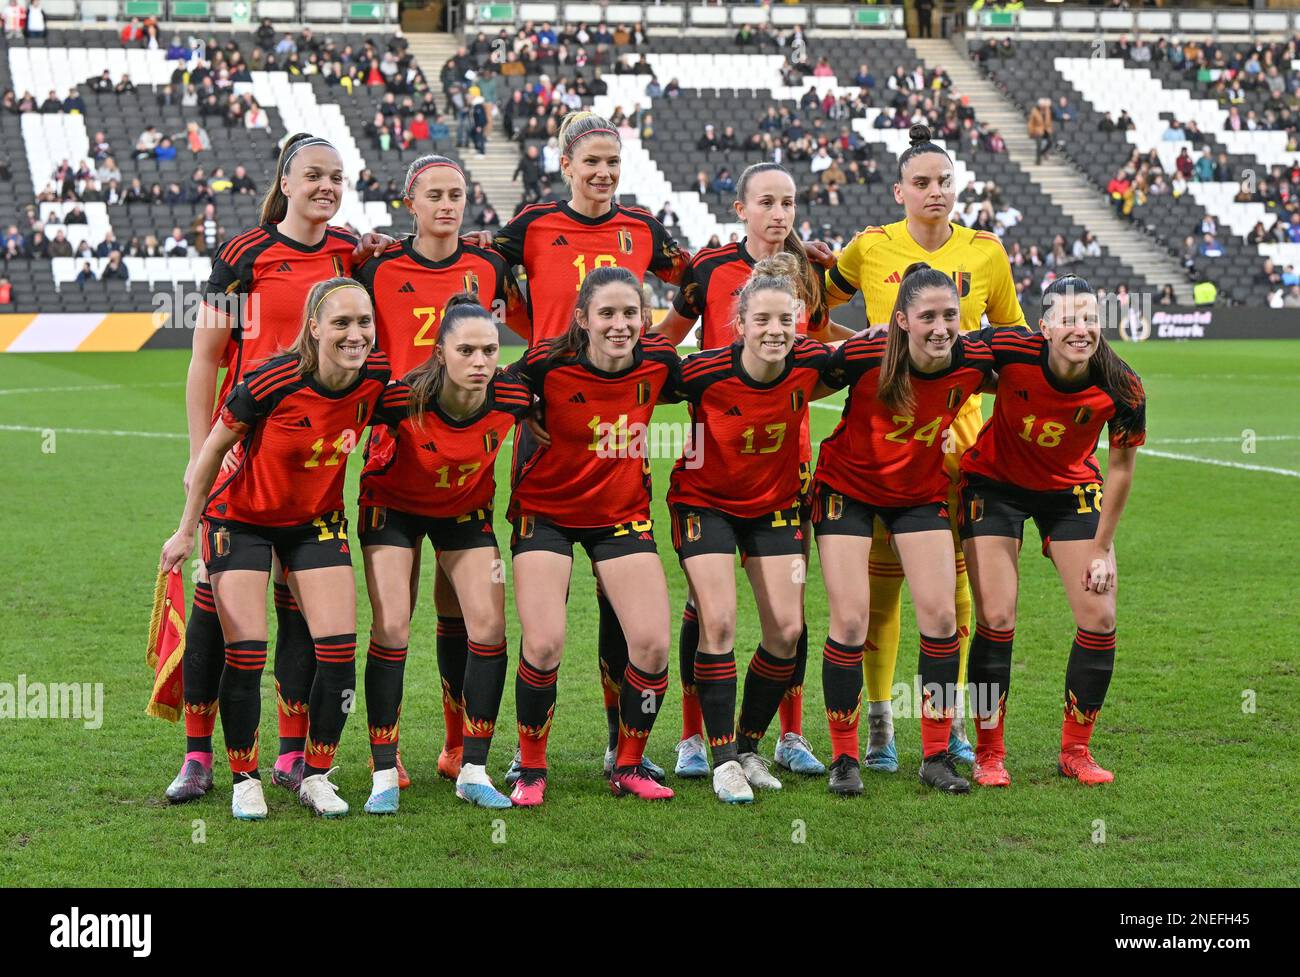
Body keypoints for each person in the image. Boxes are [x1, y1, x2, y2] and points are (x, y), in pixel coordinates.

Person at [163, 134, 392, 805]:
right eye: (314, 175)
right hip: (242, 455)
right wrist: (203, 446)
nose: (327, 186)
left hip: (310, 461)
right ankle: (200, 756)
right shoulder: (245, 256)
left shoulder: (350, 250)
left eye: (337, 177)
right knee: (218, 615)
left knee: (304, 615)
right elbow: (205, 359)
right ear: (285, 181)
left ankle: (297, 757)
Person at [489, 110, 688, 782]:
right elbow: (483, 271)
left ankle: (621, 747)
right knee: (543, 632)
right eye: (590, 162)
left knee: (625, 612)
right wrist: (524, 328)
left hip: (619, 424)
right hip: (549, 415)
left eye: (612, 162)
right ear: (566, 164)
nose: (602, 173)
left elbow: (693, 281)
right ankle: (529, 757)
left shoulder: (640, 229)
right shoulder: (536, 226)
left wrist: (654, 342)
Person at [823, 124, 1025, 773]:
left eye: (944, 181)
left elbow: (1015, 346)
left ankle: (952, 726)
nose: (935, 192)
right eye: (922, 182)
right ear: (899, 189)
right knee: (878, 600)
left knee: (957, 601)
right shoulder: (871, 246)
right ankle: (879, 727)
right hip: (880, 451)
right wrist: (855, 347)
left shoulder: (987, 252)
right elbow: (813, 306)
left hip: (958, 450)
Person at [651, 162, 850, 778]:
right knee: (706, 608)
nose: (780, 214)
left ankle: (786, 734)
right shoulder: (706, 271)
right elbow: (666, 339)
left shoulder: (811, 274)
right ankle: (694, 737)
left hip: (784, 464)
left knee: (784, 612)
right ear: (741, 208)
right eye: (767, 201)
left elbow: (816, 347)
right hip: (713, 461)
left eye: (789, 202)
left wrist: (875, 339)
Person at [353, 154, 526, 787]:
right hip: (395, 459)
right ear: (410, 201)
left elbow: (531, 325)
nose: (447, 205)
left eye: (456, 193)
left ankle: (459, 750)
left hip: (465, 476)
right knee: (392, 621)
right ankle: (386, 753)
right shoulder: (375, 265)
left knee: (467, 617)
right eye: (435, 194)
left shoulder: (489, 266)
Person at [815, 263, 998, 796]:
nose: (941, 328)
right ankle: (846, 759)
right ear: (900, 321)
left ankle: (936, 756)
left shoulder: (971, 360)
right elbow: (795, 377)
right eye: (927, 317)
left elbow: (1032, 360)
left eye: (950, 316)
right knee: (850, 622)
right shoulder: (864, 356)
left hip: (918, 493)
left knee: (941, 616)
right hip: (845, 488)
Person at [503, 268, 681, 806]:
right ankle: (530, 765)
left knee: (650, 645)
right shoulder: (545, 364)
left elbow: (725, 379)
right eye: (606, 313)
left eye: (631, 312)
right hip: (547, 513)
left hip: (621, 513)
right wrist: (522, 413)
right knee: (544, 642)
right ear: (582, 319)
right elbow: (491, 389)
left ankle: (627, 762)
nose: (620, 324)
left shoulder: (660, 363)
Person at [960, 275, 1146, 787]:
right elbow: (944, 356)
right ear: (1043, 326)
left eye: (1089, 318)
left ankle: (1076, 750)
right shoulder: (1008, 346)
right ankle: (989, 750)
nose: (1080, 328)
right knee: (996, 616)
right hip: (994, 485)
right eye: (1067, 318)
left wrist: (1103, 549)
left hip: (1069, 492)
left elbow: (1123, 468)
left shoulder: (1121, 384)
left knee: (1100, 616)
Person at [665, 256, 835, 802]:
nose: (774, 331)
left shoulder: (810, 364)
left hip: (776, 506)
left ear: (799, 321)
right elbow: (631, 377)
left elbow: (872, 356)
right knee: (717, 621)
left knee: (786, 632)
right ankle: (721, 763)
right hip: (703, 504)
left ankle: (746, 747)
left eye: (784, 320)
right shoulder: (701, 371)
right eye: (761, 320)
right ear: (739, 325)